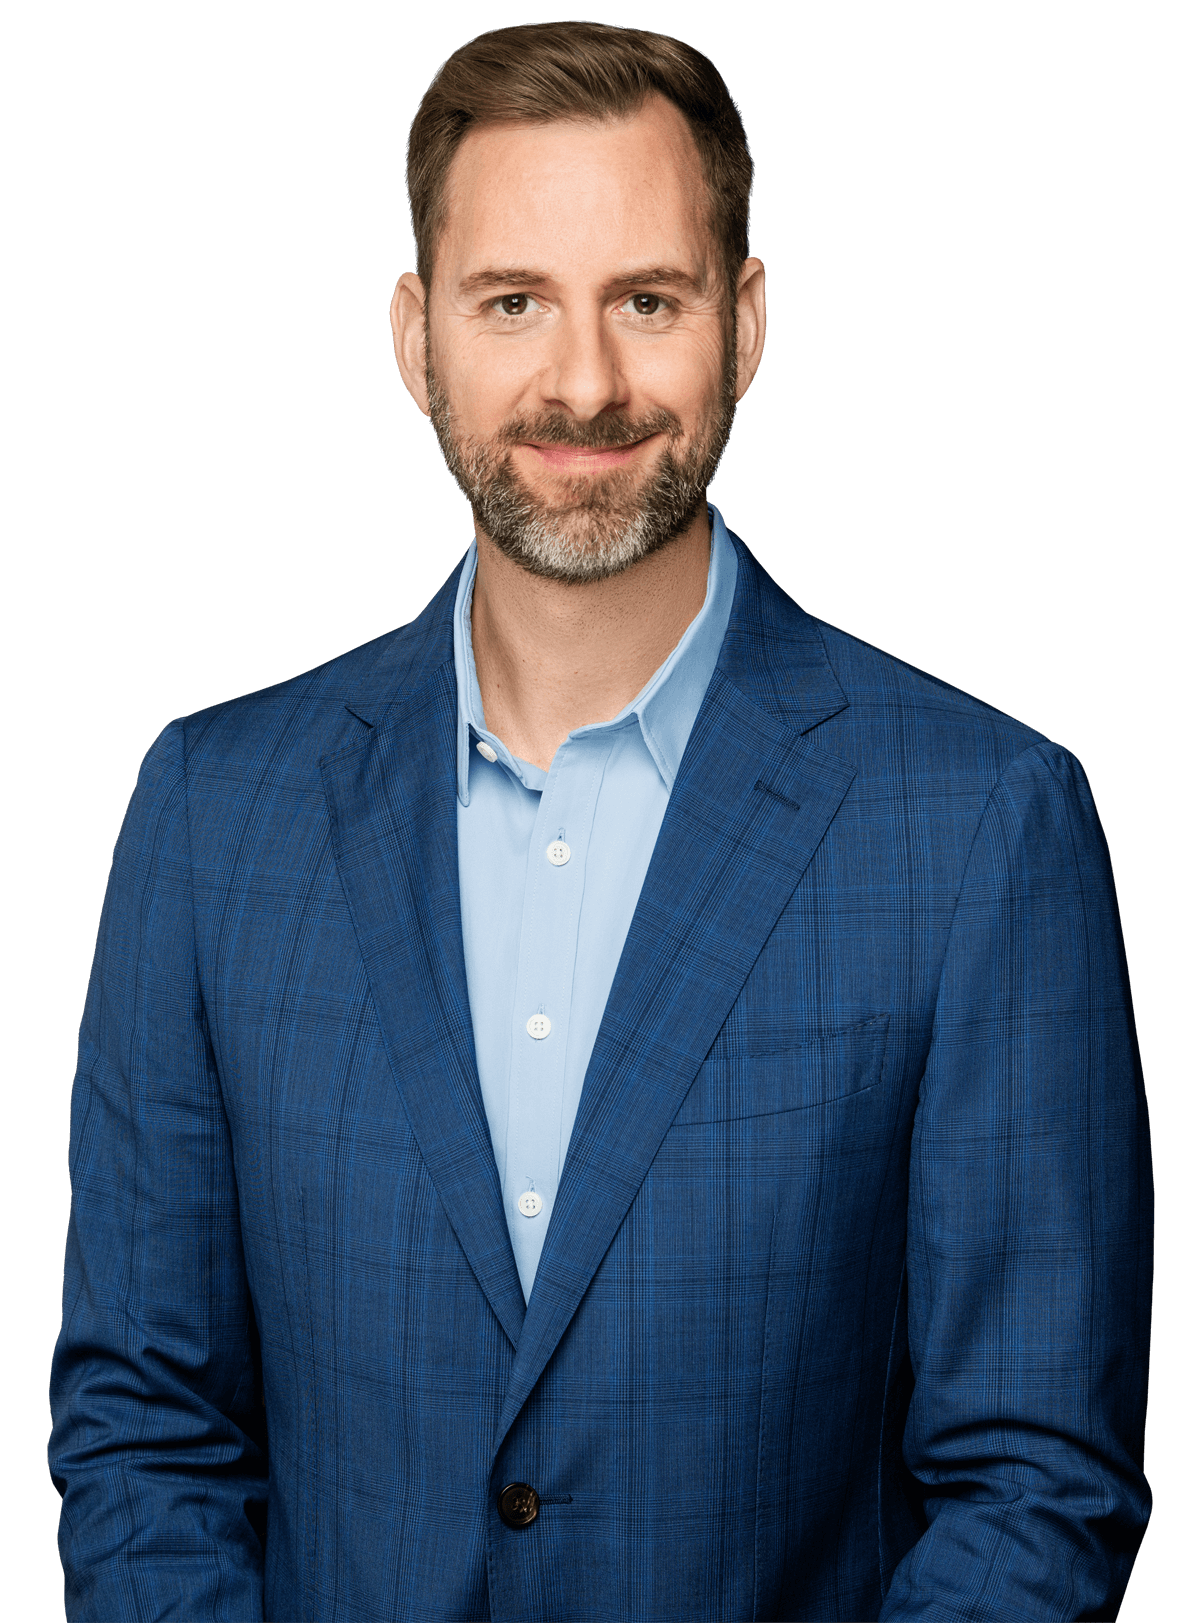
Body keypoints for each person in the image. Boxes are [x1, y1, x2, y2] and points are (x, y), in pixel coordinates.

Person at [49, 21, 1152, 1622]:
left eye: (647, 299)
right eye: (514, 302)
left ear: (745, 324)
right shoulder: (212, 811)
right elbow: (144, 1433)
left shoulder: (982, 826)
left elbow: (1036, 1484)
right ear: (418, 340)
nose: (584, 382)